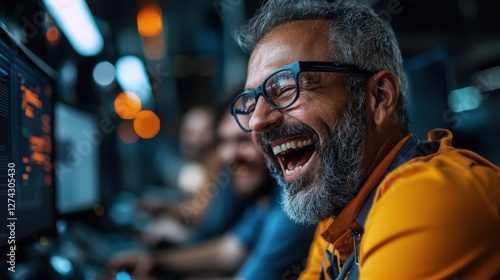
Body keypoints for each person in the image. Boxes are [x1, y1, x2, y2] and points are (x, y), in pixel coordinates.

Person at [228, 0, 500, 279]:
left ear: (379, 97)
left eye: (286, 87)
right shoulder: (338, 219)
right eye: (250, 104)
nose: (257, 121)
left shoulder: (428, 194)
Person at [102, 108, 315, 279]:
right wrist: (154, 261)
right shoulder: (265, 200)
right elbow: (228, 250)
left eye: (243, 141)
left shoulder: (293, 207)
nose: (229, 155)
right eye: (223, 141)